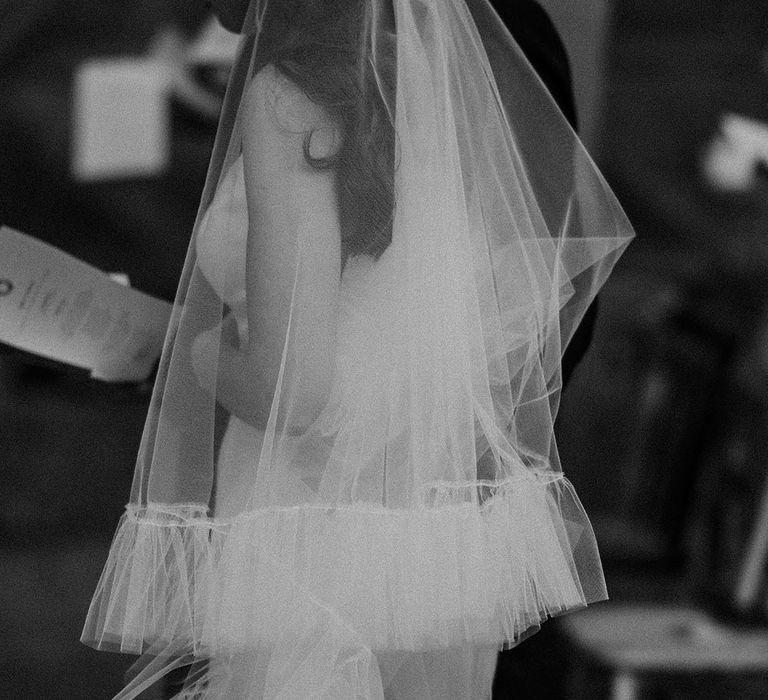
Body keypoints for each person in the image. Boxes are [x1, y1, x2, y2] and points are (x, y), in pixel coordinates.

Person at [81, 0, 633, 698]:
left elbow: (298, 391)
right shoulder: (440, 85)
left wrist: (195, 356)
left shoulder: (290, 98)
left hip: (308, 528)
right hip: (429, 540)